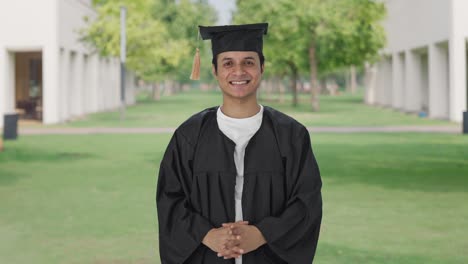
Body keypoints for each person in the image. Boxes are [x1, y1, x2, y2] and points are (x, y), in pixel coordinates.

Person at [156, 23, 322, 264]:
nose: (239, 71)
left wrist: (263, 233)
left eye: (248, 62)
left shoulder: (291, 135)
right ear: (214, 70)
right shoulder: (189, 135)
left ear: (262, 67)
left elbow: (307, 203)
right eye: (228, 63)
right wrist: (206, 234)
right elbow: (170, 199)